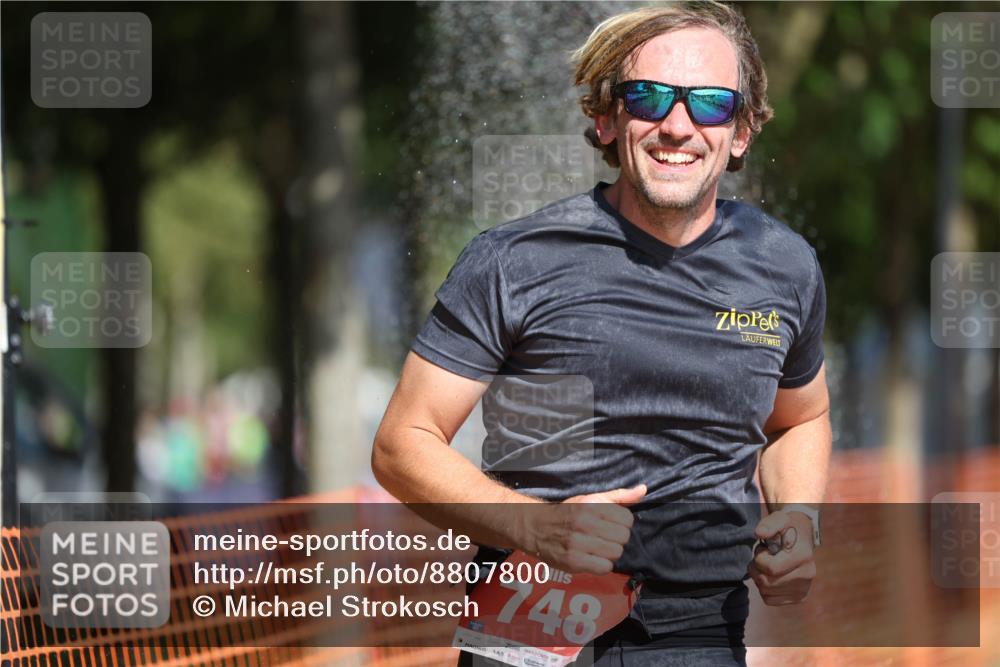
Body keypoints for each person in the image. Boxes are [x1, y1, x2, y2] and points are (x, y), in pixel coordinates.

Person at [372, 2, 831, 665]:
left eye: (709, 103)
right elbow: (399, 445)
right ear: (607, 117)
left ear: (742, 131)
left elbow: (800, 418)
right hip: (529, 616)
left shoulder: (783, 266)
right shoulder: (515, 259)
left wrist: (797, 517)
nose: (678, 125)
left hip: (692, 627)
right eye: (648, 97)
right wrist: (539, 526)